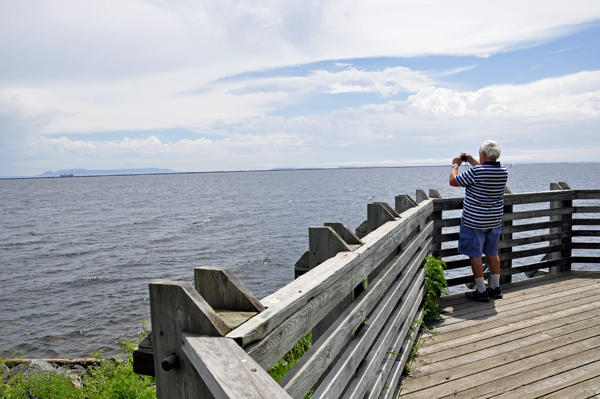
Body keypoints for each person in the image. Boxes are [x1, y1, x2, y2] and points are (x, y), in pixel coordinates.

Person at [449, 140, 508, 302]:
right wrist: (470, 160)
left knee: (475, 255)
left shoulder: (477, 172)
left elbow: (453, 181)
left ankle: (481, 291)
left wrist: (455, 165)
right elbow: (483, 169)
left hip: (474, 221)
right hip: (494, 220)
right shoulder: (503, 171)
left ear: (483, 154)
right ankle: (495, 288)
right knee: (492, 252)